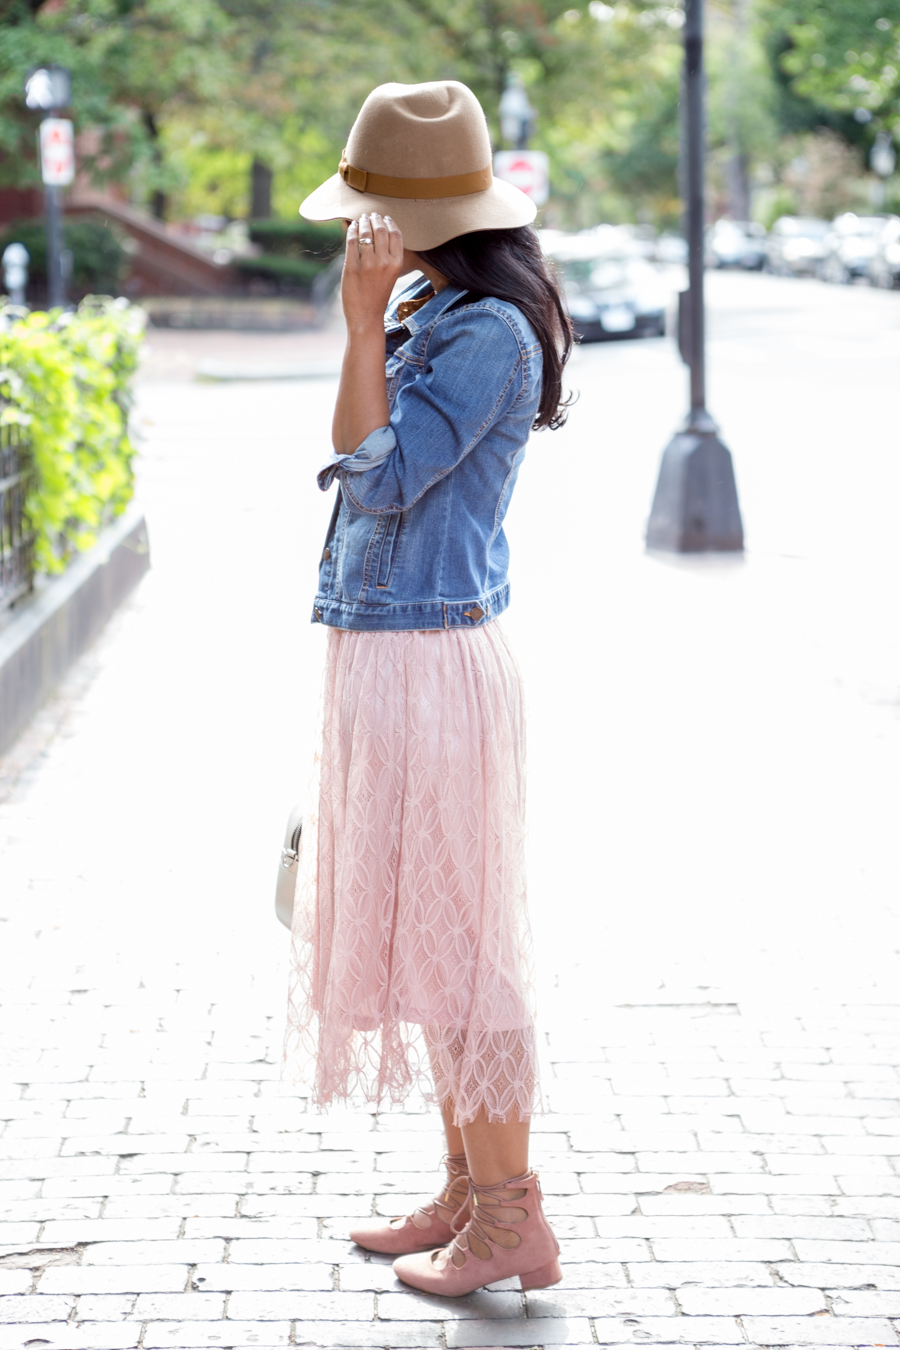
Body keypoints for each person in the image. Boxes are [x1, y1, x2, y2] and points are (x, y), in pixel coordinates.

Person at [283, 78, 572, 1297]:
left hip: (430, 662)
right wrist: (375, 323)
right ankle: (468, 1191)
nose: (358, 232)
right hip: (392, 655)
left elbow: (379, 479)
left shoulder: (485, 331)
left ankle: (511, 1219)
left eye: (370, 210)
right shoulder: (441, 305)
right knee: (434, 944)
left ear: (421, 213)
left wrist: (357, 334)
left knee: (468, 950)